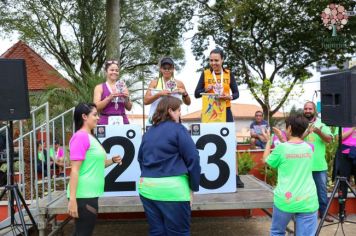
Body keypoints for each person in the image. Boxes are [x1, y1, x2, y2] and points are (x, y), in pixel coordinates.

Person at [138, 96, 201, 236]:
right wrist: (193, 187)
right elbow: (193, 158)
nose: (180, 114)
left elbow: (141, 159)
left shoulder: (148, 132)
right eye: (179, 110)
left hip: (147, 187)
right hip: (173, 190)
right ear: (170, 111)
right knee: (178, 232)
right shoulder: (179, 129)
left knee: (157, 231)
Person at [67, 103, 122, 236]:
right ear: (84, 116)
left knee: (81, 232)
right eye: (95, 115)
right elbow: (74, 170)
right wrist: (73, 200)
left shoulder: (91, 137)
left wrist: (112, 161)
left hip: (89, 194)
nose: (98, 118)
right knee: (83, 233)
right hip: (83, 195)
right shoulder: (80, 137)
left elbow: (97, 165)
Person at [194, 48, 243, 188]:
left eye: (216, 60)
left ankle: (235, 176)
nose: (213, 63)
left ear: (222, 60)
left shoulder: (228, 74)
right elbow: (196, 93)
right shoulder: (205, 74)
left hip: (225, 111)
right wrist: (206, 89)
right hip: (210, 112)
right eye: (211, 60)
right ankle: (205, 174)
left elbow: (237, 93)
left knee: (231, 143)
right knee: (208, 142)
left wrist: (230, 96)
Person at [263, 114, 318, 236]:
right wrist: (283, 139)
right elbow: (296, 145)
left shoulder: (281, 148)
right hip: (308, 200)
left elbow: (266, 160)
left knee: (277, 232)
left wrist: (268, 141)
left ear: (289, 129)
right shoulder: (310, 148)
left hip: (285, 200)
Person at [302, 101, 334, 222]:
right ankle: (305, 215)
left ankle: (324, 214)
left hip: (319, 165)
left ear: (314, 110)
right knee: (303, 191)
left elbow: (329, 139)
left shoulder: (322, 123)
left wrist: (318, 131)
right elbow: (295, 139)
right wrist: (307, 132)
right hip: (303, 166)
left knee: (321, 192)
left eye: (310, 108)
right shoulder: (299, 123)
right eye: (306, 108)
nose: (307, 111)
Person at [144, 57, 191, 124]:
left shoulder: (179, 83)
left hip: (173, 119)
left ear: (173, 69)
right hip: (156, 119)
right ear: (161, 69)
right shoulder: (154, 83)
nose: (167, 70)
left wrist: (185, 93)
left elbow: (188, 103)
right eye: (164, 68)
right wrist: (159, 94)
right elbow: (145, 101)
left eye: (169, 68)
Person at [93, 60, 132, 125]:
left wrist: (126, 98)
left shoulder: (123, 86)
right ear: (106, 72)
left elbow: (129, 108)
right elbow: (95, 108)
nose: (114, 72)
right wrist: (109, 98)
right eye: (112, 70)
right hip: (105, 122)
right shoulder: (99, 87)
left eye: (117, 70)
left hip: (122, 122)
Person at [336, 127, 356, 207]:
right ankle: (342, 209)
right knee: (343, 182)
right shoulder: (343, 123)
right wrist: (353, 128)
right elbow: (339, 138)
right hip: (344, 155)